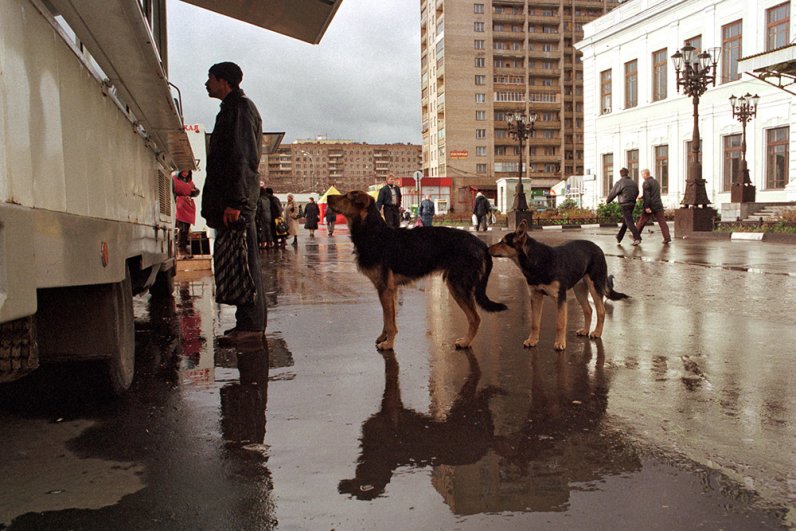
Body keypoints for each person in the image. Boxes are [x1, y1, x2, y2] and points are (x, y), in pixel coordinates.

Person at [200, 61, 266, 344]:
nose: (207, 84)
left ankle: (250, 325)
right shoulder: (233, 108)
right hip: (233, 201)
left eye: (210, 79)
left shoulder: (238, 110)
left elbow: (242, 158)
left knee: (244, 263)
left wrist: (236, 202)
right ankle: (247, 323)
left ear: (224, 82)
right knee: (239, 262)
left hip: (236, 203)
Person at [606, 167, 642, 245]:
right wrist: (633, 199)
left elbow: (613, 192)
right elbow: (637, 191)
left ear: (621, 174)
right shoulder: (633, 182)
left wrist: (608, 201)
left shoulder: (620, 182)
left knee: (629, 221)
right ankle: (619, 237)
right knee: (626, 221)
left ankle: (637, 237)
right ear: (627, 173)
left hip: (624, 204)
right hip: (632, 203)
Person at [636, 169, 672, 244]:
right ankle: (667, 238)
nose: (642, 176)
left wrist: (646, 207)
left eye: (642, 175)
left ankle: (636, 237)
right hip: (658, 204)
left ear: (646, 174)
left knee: (642, 221)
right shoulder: (656, 182)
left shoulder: (646, 183)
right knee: (662, 222)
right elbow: (653, 194)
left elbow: (647, 196)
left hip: (651, 206)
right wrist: (642, 197)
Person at [173, 170, 199, 257]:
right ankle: (180, 248)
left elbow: (195, 191)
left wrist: (195, 192)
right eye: (184, 171)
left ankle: (183, 247)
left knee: (186, 228)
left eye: (187, 172)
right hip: (179, 205)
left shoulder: (190, 181)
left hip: (188, 205)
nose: (185, 173)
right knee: (182, 228)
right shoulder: (174, 179)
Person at [255, 182, 273, 249]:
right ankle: (269, 243)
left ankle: (262, 244)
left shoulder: (260, 199)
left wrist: (257, 217)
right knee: (268, 230)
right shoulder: (267, 199)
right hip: (268, 216)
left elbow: (259, 209)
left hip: (262, 217)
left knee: (262, 231)